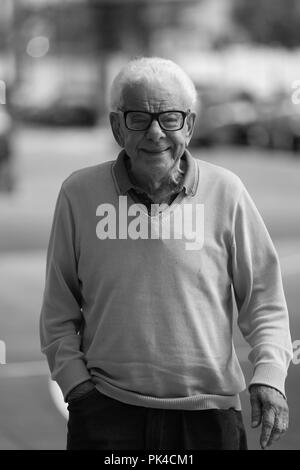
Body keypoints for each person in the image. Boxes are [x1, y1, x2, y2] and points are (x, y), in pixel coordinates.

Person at [40, 57, 293, 451]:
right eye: (138, 117)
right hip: (108, 416)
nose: (156, 133)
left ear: (189, 126)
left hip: (209, 420)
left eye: (170, 118)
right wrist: (78, 389)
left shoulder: (227, 192)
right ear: (116, 126)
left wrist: (269, 375)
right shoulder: (79, 194)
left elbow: (264, 298)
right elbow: (58, 311)